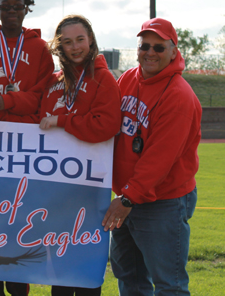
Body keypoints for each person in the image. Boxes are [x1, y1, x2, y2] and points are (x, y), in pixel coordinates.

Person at [102, 18, 202, 295]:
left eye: (159, 47)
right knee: (129, 277)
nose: (150, 52)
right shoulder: (129, 78)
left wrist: (127, 199)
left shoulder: (179, 96)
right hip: (128, 195)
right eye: (144, 45)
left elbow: (160, 159)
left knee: (169, 284)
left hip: (162, 200)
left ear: (173, 51)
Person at [0, 0, 54, 296]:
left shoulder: (40, 50)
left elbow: (40, 100)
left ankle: (19, 285)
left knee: (19, 220)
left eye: (18, 6)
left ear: (27, 9)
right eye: (5, 6)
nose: (11, 11)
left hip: (24, 150)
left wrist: (6, 101)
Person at [39, 15, 121, 296]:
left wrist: (63, 121)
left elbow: (106, 125)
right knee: (58, 269)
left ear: (91, 40)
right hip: (55, 190)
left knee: (85, 270)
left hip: (88, 189)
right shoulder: (53, 81)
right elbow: (37, 123)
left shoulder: (103, 79)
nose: (75, 47)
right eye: (67, 42)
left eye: (80, 40)